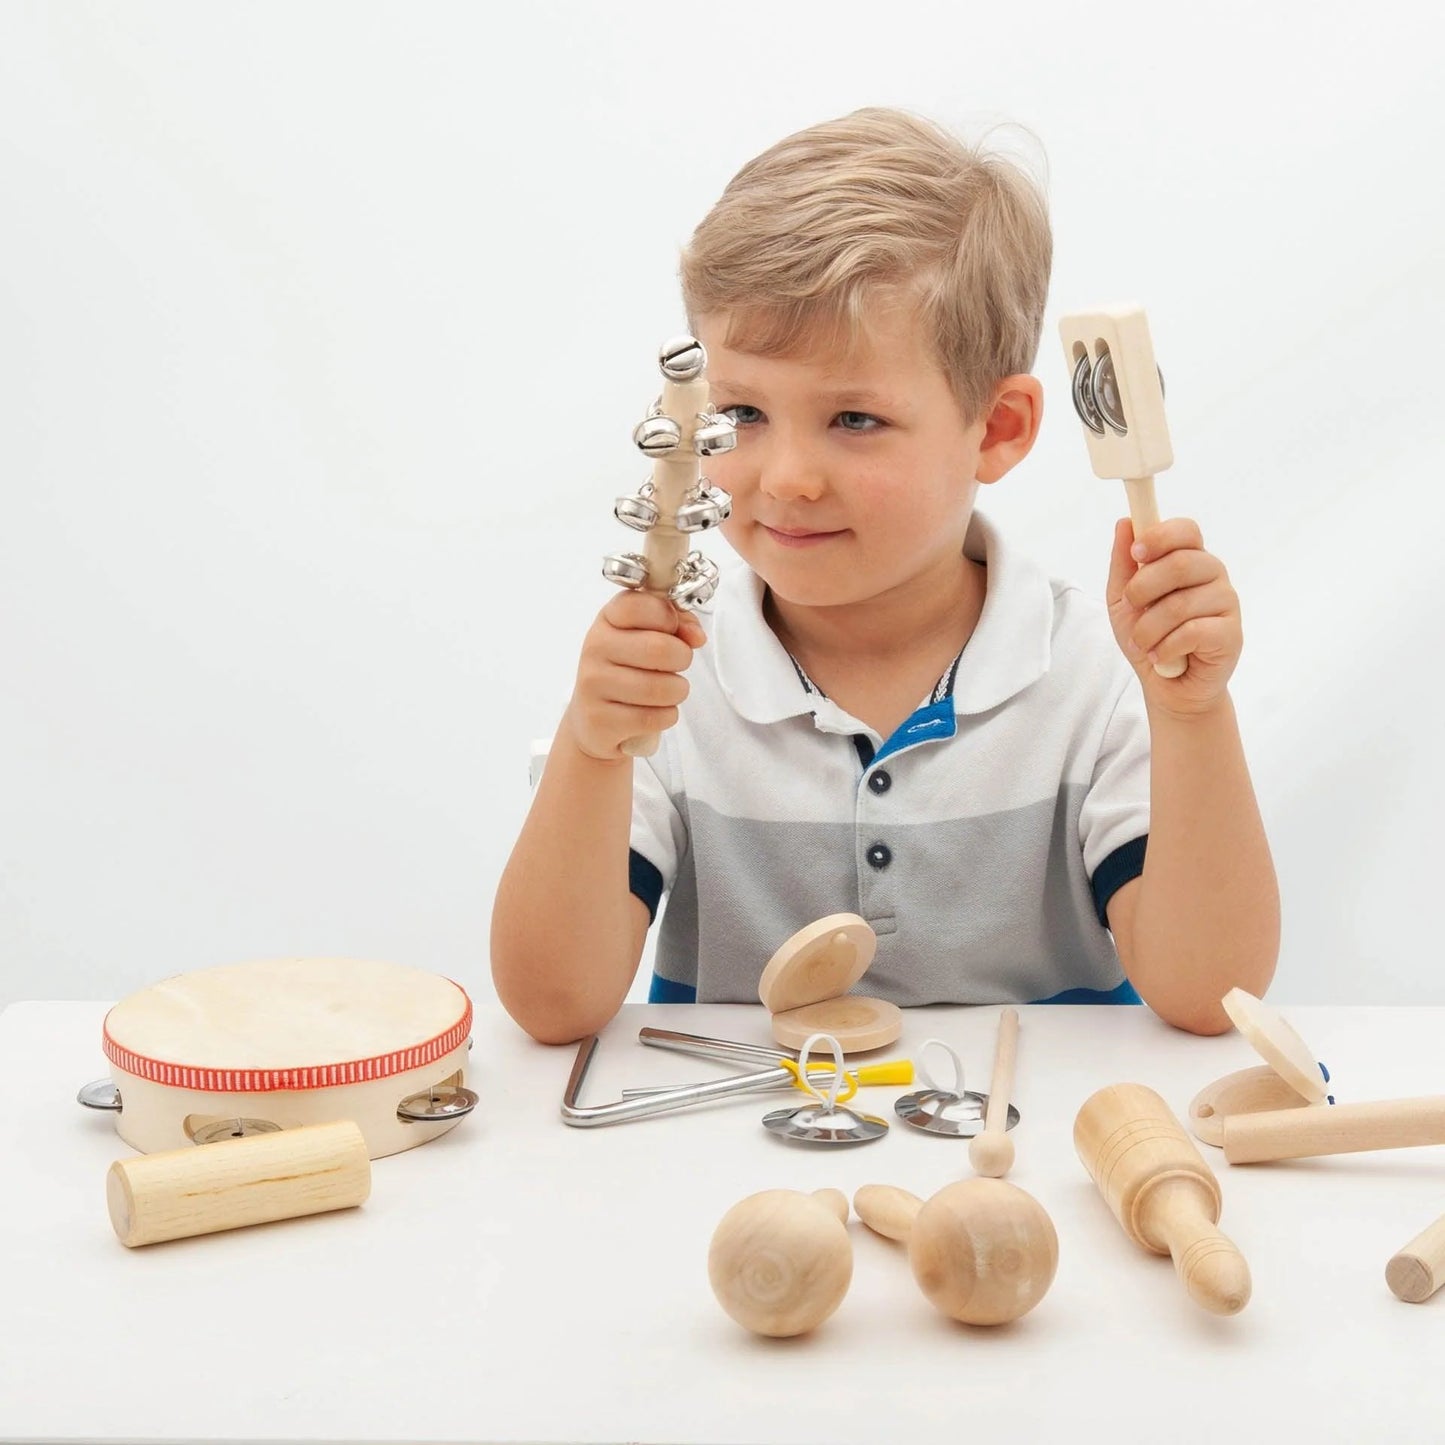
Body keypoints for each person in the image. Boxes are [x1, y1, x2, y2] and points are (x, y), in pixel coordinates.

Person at [490, 107, 1279, 1045]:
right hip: (723, 1159)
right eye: (741, 411)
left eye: (853, 420)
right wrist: (590, 747)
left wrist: (1190, 716)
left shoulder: (1095, 675)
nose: (785, 478)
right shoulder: (668, 682)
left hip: (1030, 1160)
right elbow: (551, 1006)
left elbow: (1210, 992)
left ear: (998, 430)